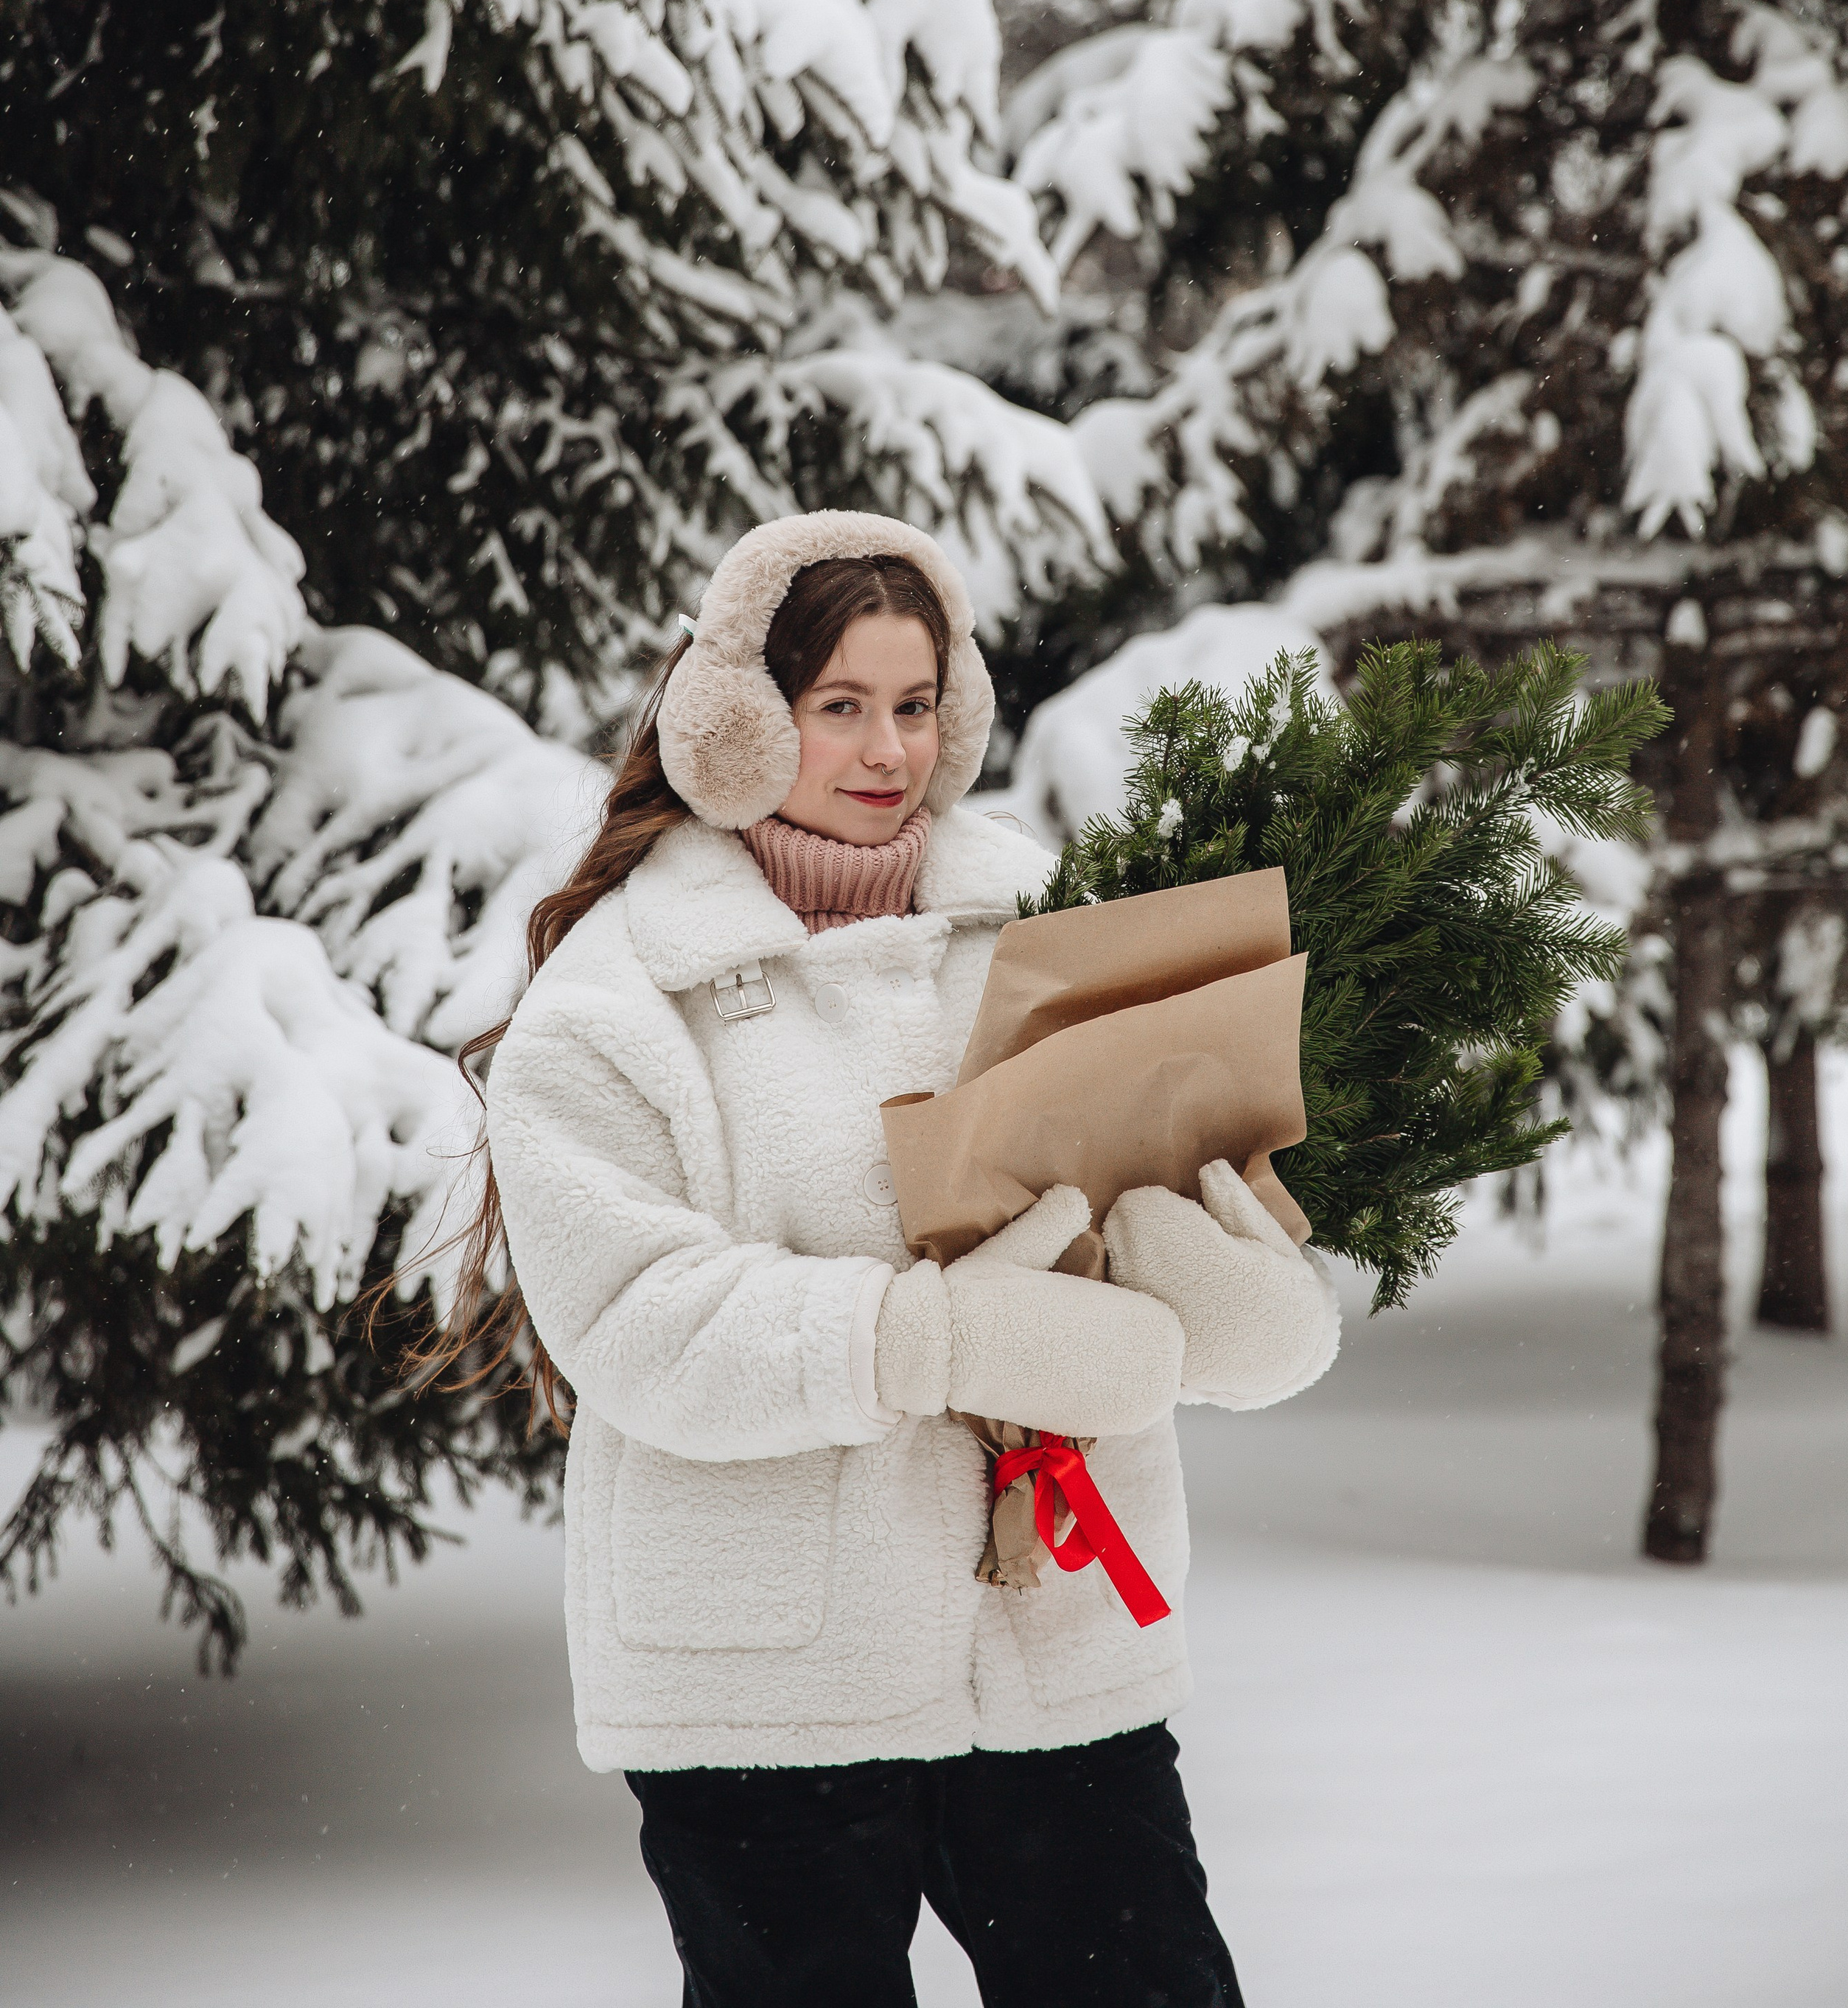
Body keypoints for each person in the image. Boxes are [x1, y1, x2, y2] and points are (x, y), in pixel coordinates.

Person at [447, 511, 1339, 2007]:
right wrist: (942, 1339)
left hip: (1050, 1647)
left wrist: (1223, 1280)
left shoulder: (1053, 932)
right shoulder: (615, 999)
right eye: (837, 707)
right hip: (766, 1687)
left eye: (914, 705)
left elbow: (1148, 1184)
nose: (886, 751)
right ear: (734, 723)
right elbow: (643, 1326)